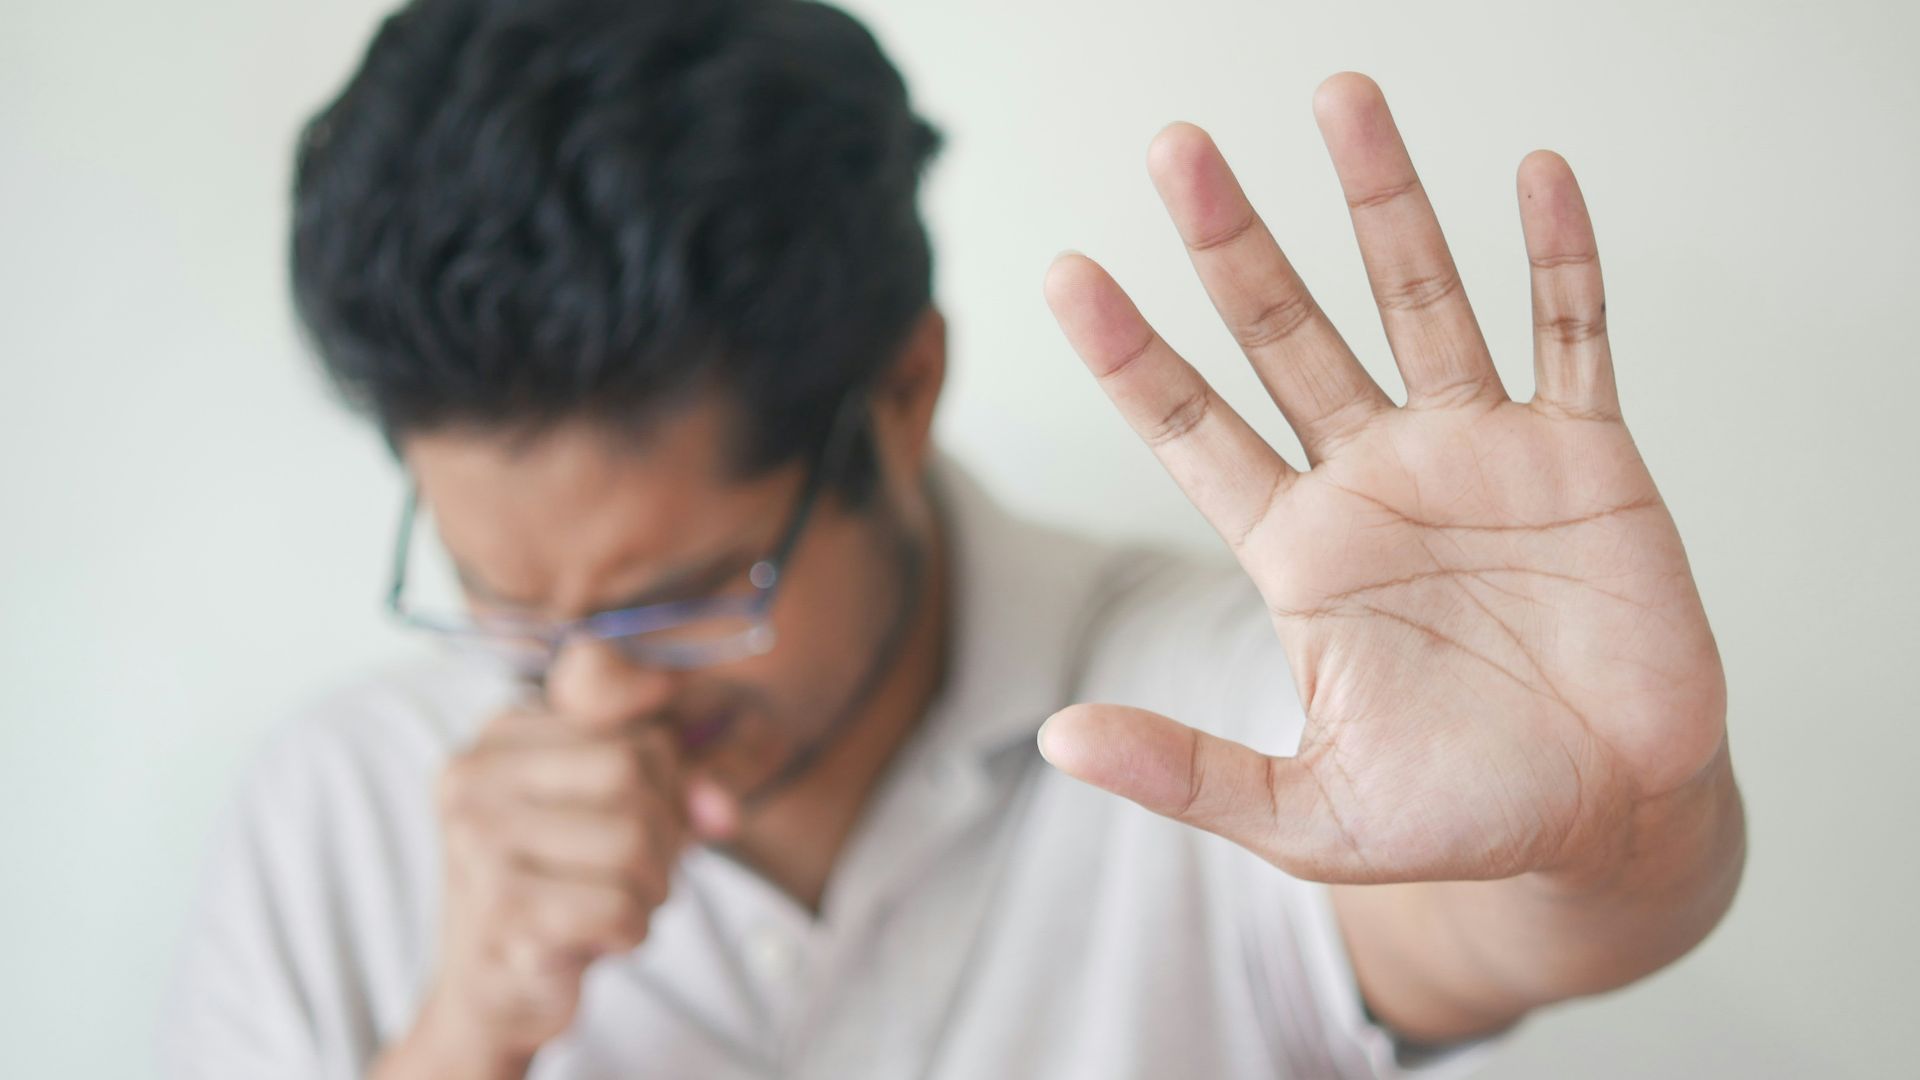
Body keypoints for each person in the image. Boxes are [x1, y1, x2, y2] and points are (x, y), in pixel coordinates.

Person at [162, 0, 1747, 1076]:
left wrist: (1615, 830)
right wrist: (463, 1040)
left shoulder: (1220, 697)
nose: (591, 694)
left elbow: (1498, 912)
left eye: (689, 596)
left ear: (905, 393)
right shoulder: (336, 812)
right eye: (504, 604)